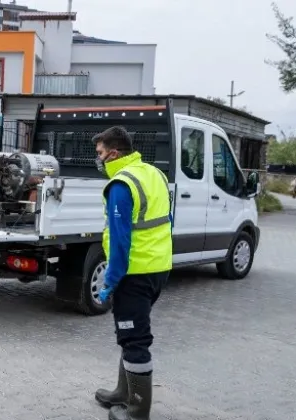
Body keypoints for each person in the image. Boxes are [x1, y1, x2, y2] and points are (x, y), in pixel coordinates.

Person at [91, 127, 173, 420]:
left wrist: (110, 280)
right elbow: (167, 221)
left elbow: (121, 239)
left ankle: (137, 411)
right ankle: (122, 392)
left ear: (114, 153)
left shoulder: (121, 184)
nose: (98, 159)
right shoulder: (154, 174)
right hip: (158, 268)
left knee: (135, 340)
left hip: (133, 273)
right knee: (129, 333)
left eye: (100, 153)